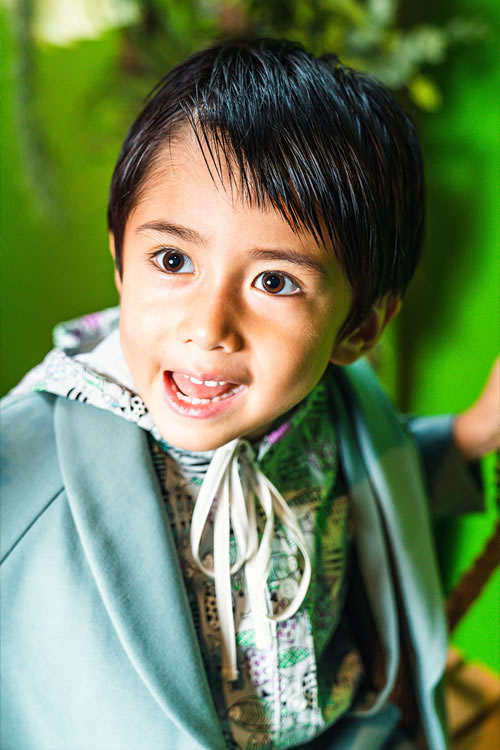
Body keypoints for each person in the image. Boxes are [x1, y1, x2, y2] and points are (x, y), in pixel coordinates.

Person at [1, 39, 498, 750]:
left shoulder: (334, 402)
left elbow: (365, 492)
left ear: (359, 329)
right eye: (173, 260)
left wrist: (475, 432)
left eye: (275, 281)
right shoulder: (26, 461)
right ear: (120, 260)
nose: (208, 327)